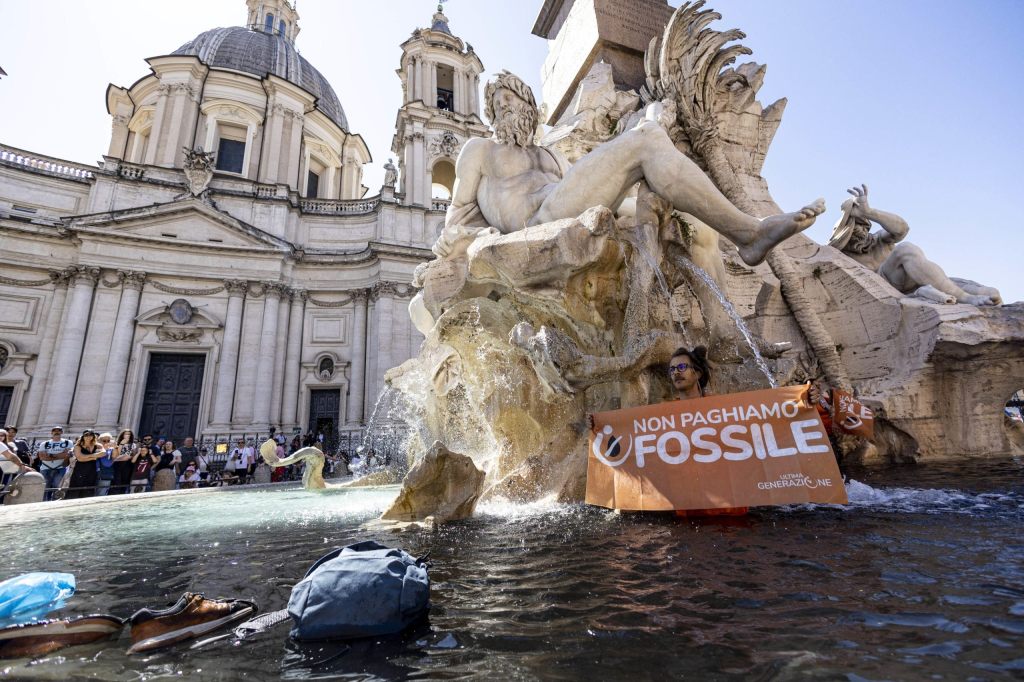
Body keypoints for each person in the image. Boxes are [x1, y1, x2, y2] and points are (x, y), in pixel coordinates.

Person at [438, 71, 824, 267]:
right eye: (495, 104)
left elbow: (589, 186)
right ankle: (750, 233)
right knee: (647, 137)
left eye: (508, 99)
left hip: (564, 206)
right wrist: (461, 239)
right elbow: (456, 217)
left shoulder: (550, 156)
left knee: (695, 225)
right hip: (535, 222)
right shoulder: (479, 150)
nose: (502, 108)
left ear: (527, 103)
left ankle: (725, 339)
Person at [64, 430, 103, 500]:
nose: (88, 437)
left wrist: (86, 456)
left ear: (93, 436)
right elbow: (79, 459)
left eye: (90, 435)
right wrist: (94, 457)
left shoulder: (97, 445)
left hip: (92, 470)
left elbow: (104, 453)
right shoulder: (78, 446)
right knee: (76, 488)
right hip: (80, 469)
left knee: (89, 487)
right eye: (86, 435)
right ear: (83, 436)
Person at [38, 426, 73, 501]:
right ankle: (43, 502)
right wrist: (60, 455)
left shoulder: (68, 442)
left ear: (62, 432)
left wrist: (50, 455)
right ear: (51, 432)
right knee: (44, 488)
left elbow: (67, 455)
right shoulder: (44, 443)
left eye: (59, 430)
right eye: (54, 430)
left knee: (57, 488)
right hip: (45, 468)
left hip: (61, 468)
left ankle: (54, 503)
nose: (56, 432)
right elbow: (42, 457)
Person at [110, 429, 137, 494]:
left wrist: (126, 457)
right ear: (122, 435)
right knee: (117, 481)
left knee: (124, 481)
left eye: (129, 434)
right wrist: (122, 443)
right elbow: (118, 454)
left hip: (127, 464)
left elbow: (132, 455)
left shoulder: (133, 444)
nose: (127, 435)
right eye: (126, 434)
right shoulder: (117, 443)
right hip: (117, 464)